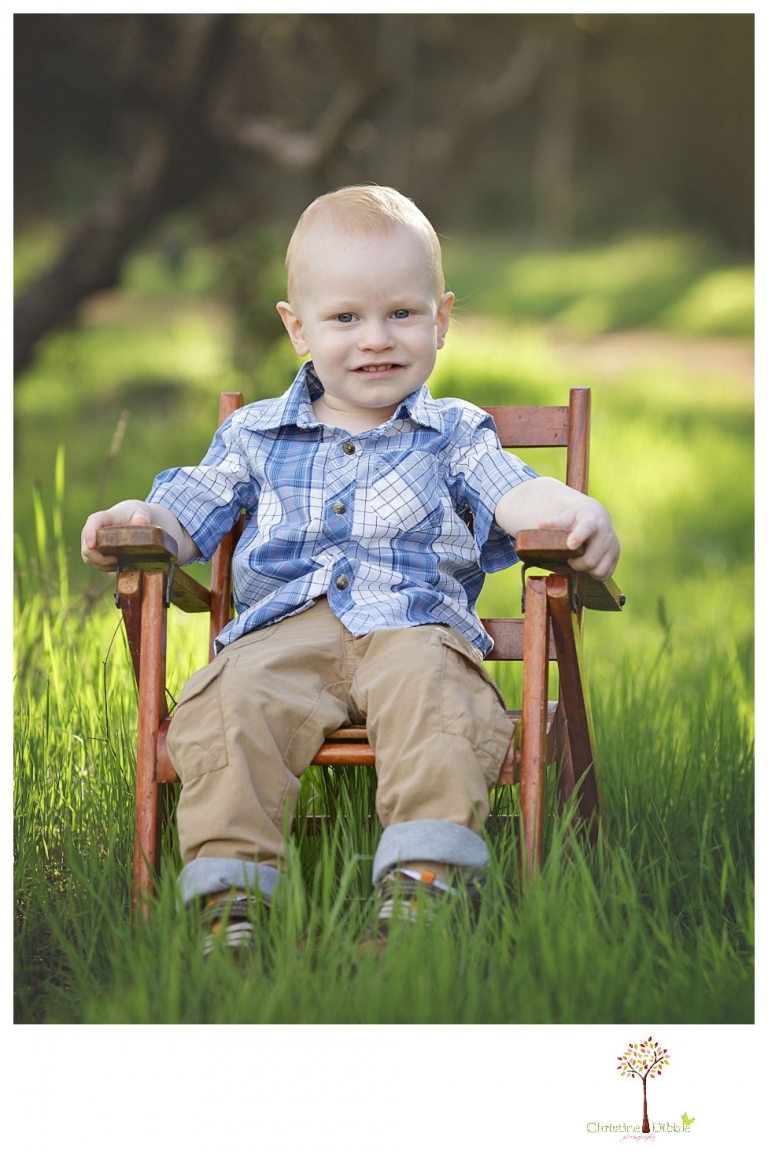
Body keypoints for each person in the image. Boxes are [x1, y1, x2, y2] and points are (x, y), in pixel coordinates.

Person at [81, 185, 619, 951]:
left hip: (413, 630)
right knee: (229, 704)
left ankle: (425, 894)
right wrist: (142, 524)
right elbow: (191, 507)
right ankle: (231, 905)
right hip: (279, 637)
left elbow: (518, 493)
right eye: (345, 317)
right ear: (297, 328)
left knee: (440, 702)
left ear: (442, 319)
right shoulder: (253, 434)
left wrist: (574, 513)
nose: (376, 338)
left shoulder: (455, 432)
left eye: (402, 313)